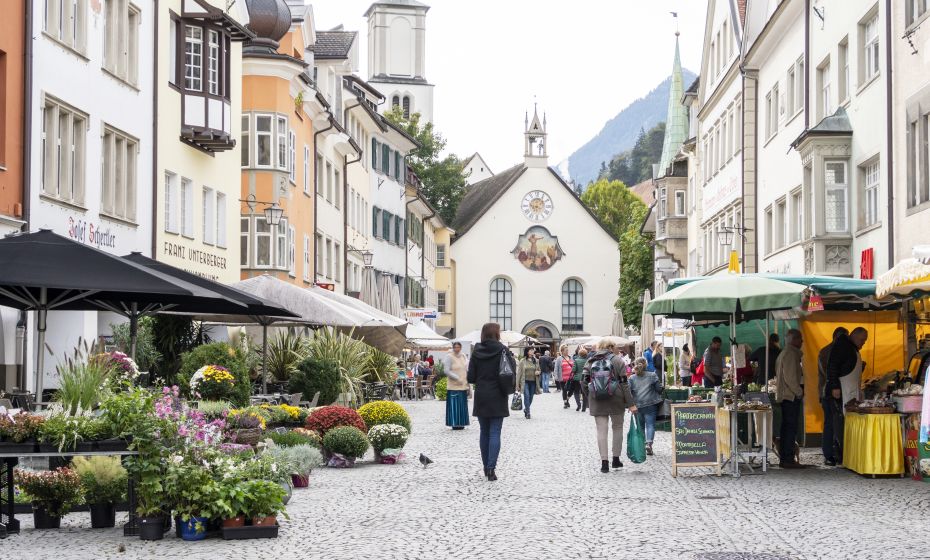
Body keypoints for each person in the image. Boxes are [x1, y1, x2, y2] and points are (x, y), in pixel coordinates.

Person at [467, 322, 515, 482]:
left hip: (482, 395)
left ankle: (485, 467)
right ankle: (491, 468)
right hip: (498, 394)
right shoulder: (503, 350)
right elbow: (510, 372)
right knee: (495, 432)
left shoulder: (476, 351)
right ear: (497, 334)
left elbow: (471, 377)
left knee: (484, 432)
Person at [582, 340, 637, 472]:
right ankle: (616, 459)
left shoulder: (590, 361)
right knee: (617, 428)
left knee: (601, 430)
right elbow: (624, 384)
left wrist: (591, 395)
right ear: (611, 347)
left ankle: (604, 463)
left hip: (597, 399)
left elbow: (583, 382)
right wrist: (631, 404)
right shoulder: (618, 360)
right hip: (616, 398)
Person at [826, 327, 869, 464]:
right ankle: (840, 455)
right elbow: (832, 366)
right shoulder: (843, 346)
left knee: (843, 424)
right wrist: (835, 386)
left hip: (849, 391)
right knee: (839, 424)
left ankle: (846, 454)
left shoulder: (850, 347)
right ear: (854, 336)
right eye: (862, 340)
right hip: (841, 391)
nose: (863, 343)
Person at [818, 327, 848, 466]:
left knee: (830, 423)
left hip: (826, 391)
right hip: (831, 392)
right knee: (833, 423)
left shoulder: (825, 351)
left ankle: (830, 454)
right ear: (838, 337)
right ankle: (831, 454)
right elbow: (829, 372)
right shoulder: (833, 351)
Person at [775, 329, 805, 469]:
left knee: (786, 427)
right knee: (790, 428)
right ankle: (788, 458)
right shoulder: (791, 354)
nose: (802, 342)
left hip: (786, 395)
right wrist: (799, 392)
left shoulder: (784, 353)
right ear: (795, 340)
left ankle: (786, 458)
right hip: (790, 396)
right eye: (800, 339)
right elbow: (790, 378)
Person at [629, 357, 663, 456]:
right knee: (650, 425)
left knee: (640, 426)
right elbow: (658, 389)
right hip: (651, 403)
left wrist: (630, 405)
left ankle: (643, 445)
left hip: (637, 405)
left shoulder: (632, 378)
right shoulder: (652, 375)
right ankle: (649, 444)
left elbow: (628, 392)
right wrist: (662, 387)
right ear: (646, 364)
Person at [443, 342, 470, 431]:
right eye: (455, 347)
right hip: (453, 385)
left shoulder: (463, 356)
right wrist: (457, 378)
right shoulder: (449, 357)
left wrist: (467, 382)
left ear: (461, 348)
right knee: (454, 405)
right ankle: (454, 423)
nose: (457, 349)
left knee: (462, 405)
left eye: (458, 347)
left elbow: (466, 369)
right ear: (453, 348)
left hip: (463, 385)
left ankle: (462, 423)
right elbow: (446, 371)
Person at [516, 348, 541, 419]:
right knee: (526, 396)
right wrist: (517, 385)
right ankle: (528, 412)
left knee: (531, 397)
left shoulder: (536, 360)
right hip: (525, 382)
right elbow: (519, 373)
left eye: (533, 350)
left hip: (533, 382)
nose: (532, 351)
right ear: (527, 352)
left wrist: (538, 372)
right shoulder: (522, 361)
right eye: (531, 350)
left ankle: (526, 409)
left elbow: (539, 370)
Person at [573, 348, 589, 412]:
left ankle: (578, 404)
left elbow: (573, 370)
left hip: (577, 378)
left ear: (579, 354)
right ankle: (584, 408)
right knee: (584, 393)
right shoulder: (587, 361)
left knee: (576, 392)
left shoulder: (576, 360)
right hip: (585, 378)